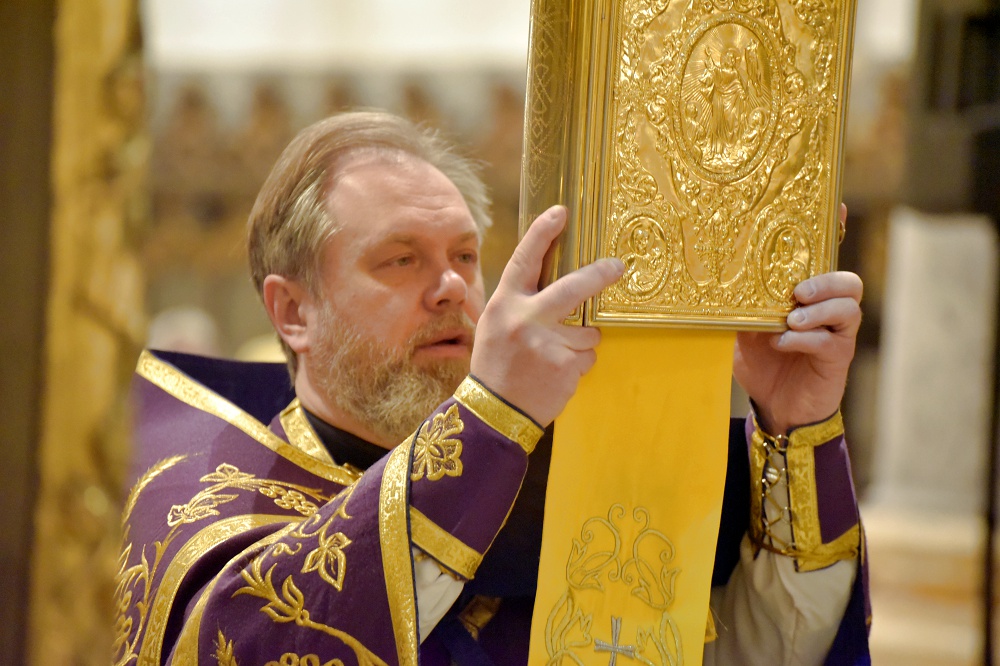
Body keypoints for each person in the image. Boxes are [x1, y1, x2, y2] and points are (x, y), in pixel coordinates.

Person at [115, 111, 869, 665]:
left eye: (465, 257)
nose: (450, 287)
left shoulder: (566, 487)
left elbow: (760, 652)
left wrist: (795, 426)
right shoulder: (208, 502)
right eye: (400, 260)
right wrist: (492, 420)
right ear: (292, 312)